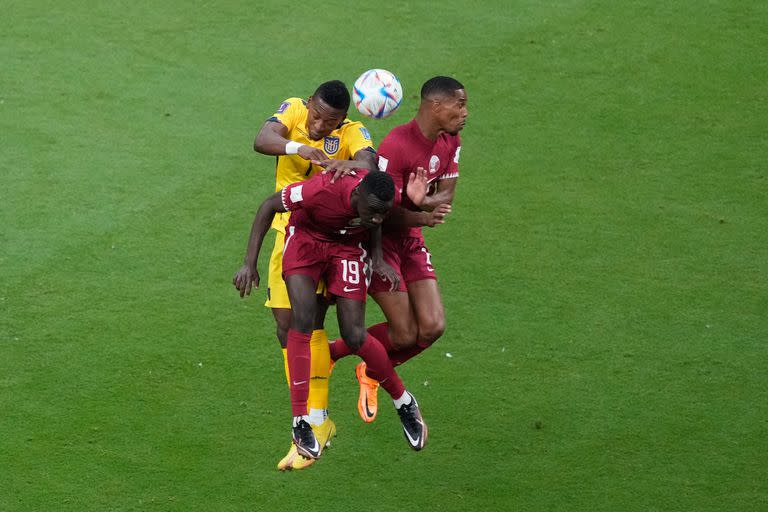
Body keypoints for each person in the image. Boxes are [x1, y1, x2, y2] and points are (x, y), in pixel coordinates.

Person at [233, 170, 430, 461]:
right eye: (373, 211)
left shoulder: (377, 200)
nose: (377, 219)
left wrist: (376, 258)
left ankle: (404, 401)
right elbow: (268, 206)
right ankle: (301, 421)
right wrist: (250, 263)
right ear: (358, 194)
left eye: (383, 213)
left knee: (354, 335)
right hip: (306, 242)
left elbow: (377, 221)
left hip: (348, 249)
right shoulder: (321, 190)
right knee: (301, 322)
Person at [250, 80, 378, 469]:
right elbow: (262, 138)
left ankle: (313, 422)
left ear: (343, 118)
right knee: (285, 327)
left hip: (324, 238)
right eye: (317, 116)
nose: (321, 126)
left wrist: (347, 163)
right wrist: (299, 147)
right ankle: (313, 422)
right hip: (285, 232)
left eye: (331, 121)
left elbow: (371, 166)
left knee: (308, 326)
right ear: (309, 104)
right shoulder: (293, 110)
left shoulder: (352, 132)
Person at [348, 76, 469, 423]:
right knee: (403, 334)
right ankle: (330, 356)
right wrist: (420, 211)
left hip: (412, 239)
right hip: (381, 242)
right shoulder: (396, 145)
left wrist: (422, 202)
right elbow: (379, 212)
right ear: (435, 106)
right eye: (459, 105)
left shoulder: (451, 139)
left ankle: (370, 371)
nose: (465, 113)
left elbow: (446, 197)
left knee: (432, 327)